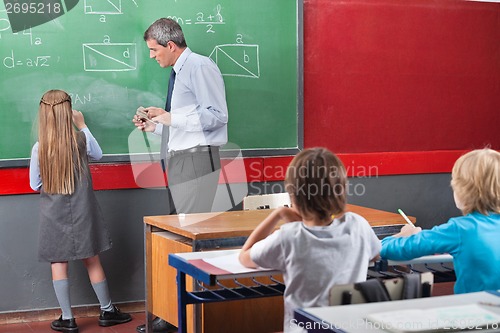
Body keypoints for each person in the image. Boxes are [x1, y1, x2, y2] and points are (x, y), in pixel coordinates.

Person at [132, 18, 228, 333]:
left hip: (198, 161)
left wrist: (172, 117)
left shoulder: (199, 67)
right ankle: (174, 312)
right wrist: (155, 123)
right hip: (181, 159)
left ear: (170, 45)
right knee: (176, 235)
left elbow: (217, 116)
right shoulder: (179, 70)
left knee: (190, 237)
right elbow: (184, 123)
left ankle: (188, 317)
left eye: (154, 50)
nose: (152, 56)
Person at [239, 147, 381, 333]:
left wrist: (278, 214)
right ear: (341, 191)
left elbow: (244, 256)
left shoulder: (288, 236)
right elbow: (375, 256)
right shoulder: (358, 226)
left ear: (294, 197)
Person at [29, 90, 132, 333]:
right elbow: (98, 154)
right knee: (92, 259)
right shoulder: (80, 140)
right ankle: (107, 311)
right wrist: (83, 125)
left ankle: (68, 318)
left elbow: (35, 184)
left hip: (53, 213)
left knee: (58, 262)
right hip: (83, 210)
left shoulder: (39, 148)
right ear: (68, 111)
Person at [381, 148, 500, 294]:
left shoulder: (460, 229)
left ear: (463, 190)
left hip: (476, 311)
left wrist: (402, 236)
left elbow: (390, 249)